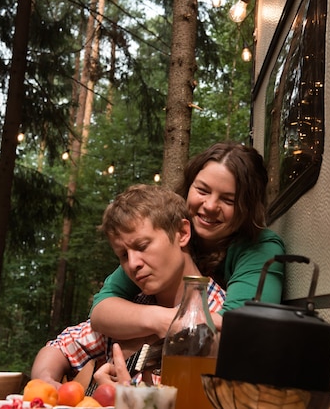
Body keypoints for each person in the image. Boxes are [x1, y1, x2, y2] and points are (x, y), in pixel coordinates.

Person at [30, 184, 225, 389]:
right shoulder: (130, 310)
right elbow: (59, 347)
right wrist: (47, 382)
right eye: (123, 255)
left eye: (142, 246)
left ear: (183, 233)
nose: (132, 264)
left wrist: (130, 399)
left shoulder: (219, 318)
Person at [90, 141, 285, 341]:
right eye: (202, 190)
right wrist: (158, 320)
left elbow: (240, 325)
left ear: (249, 208)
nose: (209, 206)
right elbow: (102, 309)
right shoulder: (166, 237)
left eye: (228, 200)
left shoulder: (261, 247)